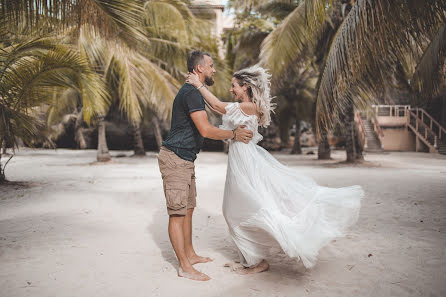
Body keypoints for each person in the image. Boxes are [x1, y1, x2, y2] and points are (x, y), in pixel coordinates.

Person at [186, 65, 364, 274]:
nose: (231, 89)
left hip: (245, 163)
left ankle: (256, 262)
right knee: (234, 210)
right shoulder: (244, 106)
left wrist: (198, 84)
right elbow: (218, 110)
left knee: (239, 209)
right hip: (240, 160)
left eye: (234, 86)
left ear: (246, 87)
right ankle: (251, 259)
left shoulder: (249, 107)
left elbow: (216, 106)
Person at [157, 50, 254, 281]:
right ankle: (184, 267)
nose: (214, 69)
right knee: (177, 214)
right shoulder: (191, 93)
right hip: (175, 158)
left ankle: (190, 254)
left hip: (185, 159)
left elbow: (219, 107)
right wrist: (233, 134)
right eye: (210, 65)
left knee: (188, 209)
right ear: (199, 68)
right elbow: (206, 130)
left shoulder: (195, 92)